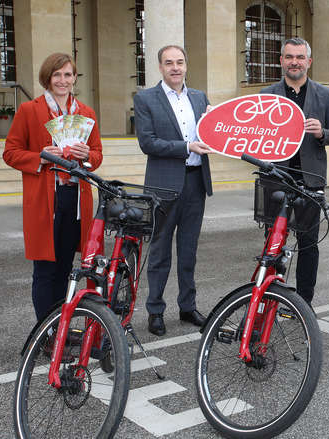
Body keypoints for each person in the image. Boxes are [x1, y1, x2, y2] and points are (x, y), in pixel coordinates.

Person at [3, 53, 103, 321]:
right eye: (57, 75)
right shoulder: (29, 110)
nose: (62, 80)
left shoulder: (86, 113)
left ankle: (61, 327)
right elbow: (10, 153)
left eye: (67, 75)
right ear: (47, 78)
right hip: (45, 201)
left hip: (76, 200)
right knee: (45, 270)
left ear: (74, 78)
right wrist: (40, 156)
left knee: (65, 269)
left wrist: (86, 155)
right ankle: (45, 332)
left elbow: (97, 155)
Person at [134, 45, 213, 336]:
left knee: (189, 251)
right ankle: (155, 310)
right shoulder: (145, 99)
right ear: (160, 67)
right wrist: (186, 147)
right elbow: (148, 143)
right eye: (169, 63)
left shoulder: (199, 97)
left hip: (196, 182)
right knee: (159, 251)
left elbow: (210, 133)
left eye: (180, 62)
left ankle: (187, 306)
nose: (175, 67)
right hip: (162, 186)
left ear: (186, 65)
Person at [261, 37, 329, 306]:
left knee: (308, 244)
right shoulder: (267, 95)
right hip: (276, 179)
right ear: (281, 60)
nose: (294, 61)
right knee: (273, 241)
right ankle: (272, 297)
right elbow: (256, 134)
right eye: (289, 57)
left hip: (309, 180)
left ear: (309, 61)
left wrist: (321, 134)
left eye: (299, 57)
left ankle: (304, 302)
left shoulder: (324, 95)